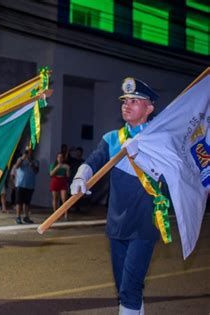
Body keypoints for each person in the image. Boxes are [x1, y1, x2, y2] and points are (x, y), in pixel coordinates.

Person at [70, 77, 160, 315]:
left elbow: (167, 173)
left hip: (144, 224)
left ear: (149, 108)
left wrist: (141, 155)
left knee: (129, 289)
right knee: (125, 287)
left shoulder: (158, 139)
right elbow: (94, 160)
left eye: (134, 101)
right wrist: (80, 176)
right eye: (124, 101)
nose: (126, 105)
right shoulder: (112, 138)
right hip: (116, 223)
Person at [13, 146, 39, 224]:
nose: (29, 153)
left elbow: (36, 171)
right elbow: (16, 166)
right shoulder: (20, 159)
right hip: (20, 184)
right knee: (19, 202)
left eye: (31, 151)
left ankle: (26, 217)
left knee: (27, 202)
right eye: (27, 151)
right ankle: (18, 217)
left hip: (30, 185)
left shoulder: (35, 161)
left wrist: (32, 164)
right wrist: (22, 158)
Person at [49, 152, 70, 220]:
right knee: (55, 198)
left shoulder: (65, 166)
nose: (60, 159)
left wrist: (68, 169)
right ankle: (55, 215)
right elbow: (51, 174)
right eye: (59, 157)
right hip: (55, 181)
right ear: (57, 158)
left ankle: (66, 214)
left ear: (63, 158)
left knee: (64, 199)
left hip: (63, 181)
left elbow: (68, 176)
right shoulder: (53, 165)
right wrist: (58, 167)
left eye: (61, 157)